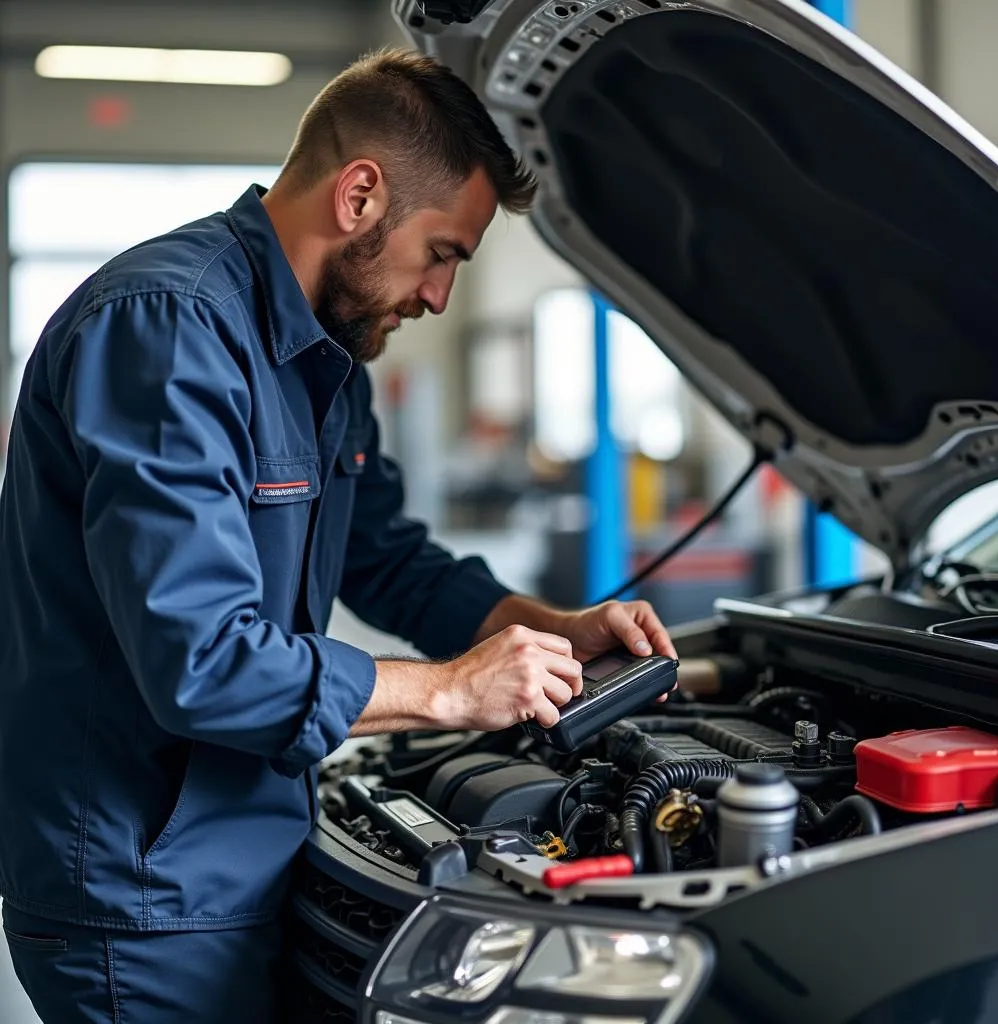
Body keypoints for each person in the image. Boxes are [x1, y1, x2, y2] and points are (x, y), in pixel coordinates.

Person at [0, 47, 677, 1022]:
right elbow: (203, 661)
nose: (440, 295)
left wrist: (554, 630)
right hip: (144, 892)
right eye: (443, 252)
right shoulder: (166, 329)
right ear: (360, 196)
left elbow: (390, 560)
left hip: (252, 853)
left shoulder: (323, 360)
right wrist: (448, 691)